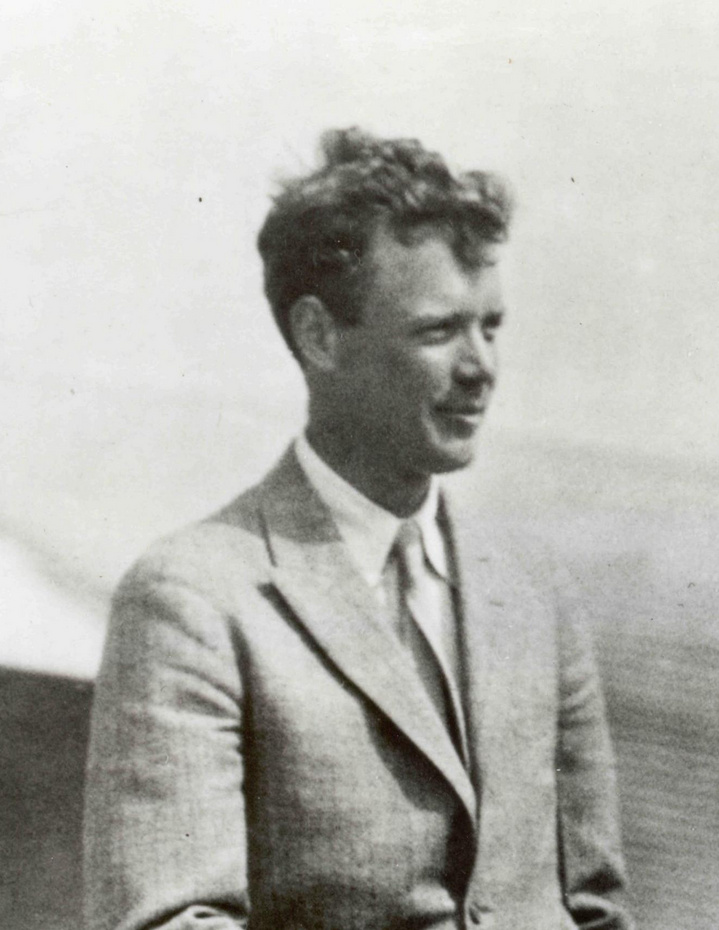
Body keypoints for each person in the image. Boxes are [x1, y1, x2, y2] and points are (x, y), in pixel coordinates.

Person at [84, 128, 633, 930]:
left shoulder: (535, 591)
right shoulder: (192, 599)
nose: (480, 367)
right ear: (319, 336)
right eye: (438, 331)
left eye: (491, 327)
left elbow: (597, 906)